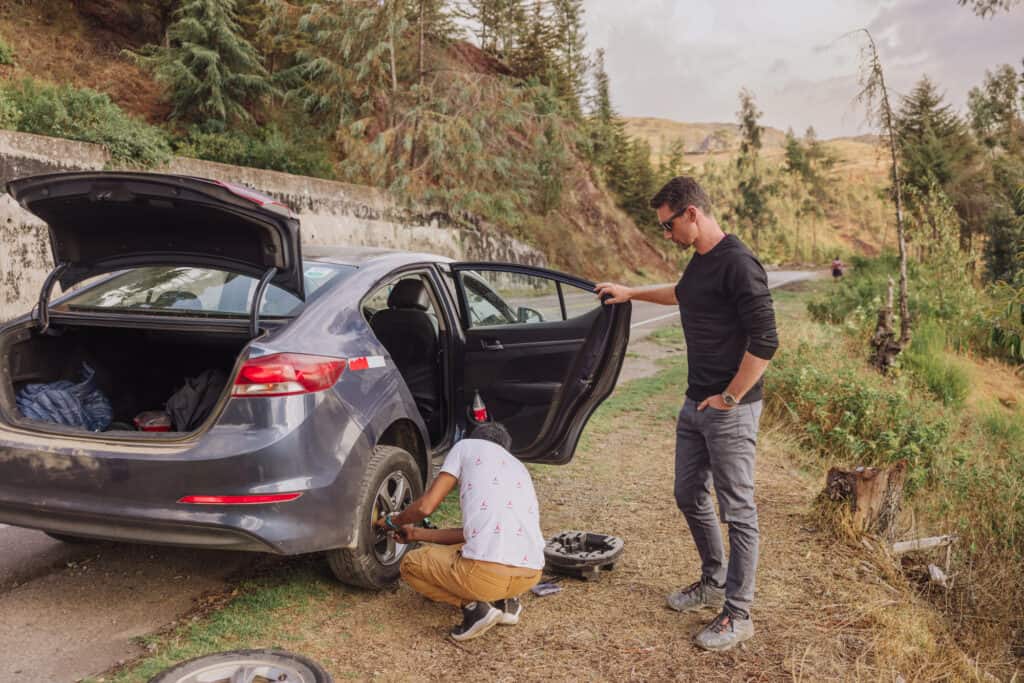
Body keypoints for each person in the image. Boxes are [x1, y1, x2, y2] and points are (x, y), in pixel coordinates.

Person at [595, 176, 779, 652]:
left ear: (692, 213)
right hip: (695, 403)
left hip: (730, 410)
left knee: (737, 511)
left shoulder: (739, 264)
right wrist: (630, 292)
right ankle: (713, 582)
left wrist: (731, 398)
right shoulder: (700, 263)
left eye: (668, 225)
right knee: (687, 494)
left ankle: (738, 613)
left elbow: (766, 342)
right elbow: (681, 294)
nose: (667, 234)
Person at [375, 421, 544, 641]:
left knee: (411, 564)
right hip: (531, 574)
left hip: (487, 576)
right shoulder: (518, 467)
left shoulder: (466, 446)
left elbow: (426, 507)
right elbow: (474, 534)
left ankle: (475, 608)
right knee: (482, 548)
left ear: (476, 437)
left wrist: (393, 522)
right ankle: (507, 602)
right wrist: (416, 534)